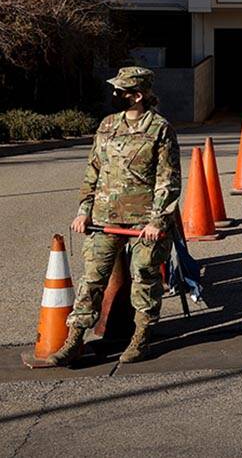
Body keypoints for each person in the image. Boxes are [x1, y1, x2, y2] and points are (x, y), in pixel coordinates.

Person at [47, 66, 181, 366]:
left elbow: (167, 181)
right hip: (104, 217)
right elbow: (93, 171)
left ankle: (141, 336)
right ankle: (74, 339)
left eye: (120, 91)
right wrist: (83, 211)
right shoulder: (108, 125)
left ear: (137, 96)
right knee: (92, 278)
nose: (114, 95)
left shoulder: (160, 129)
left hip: (145, 220)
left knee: (144, 276)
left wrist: (157, 221)